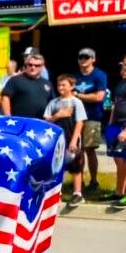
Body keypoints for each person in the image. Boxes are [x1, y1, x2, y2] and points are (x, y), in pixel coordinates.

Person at [45, 75, 88, 206]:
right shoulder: (53, 103)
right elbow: (46, 120)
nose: (61, 87)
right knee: (58, 167)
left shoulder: (76, 102)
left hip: (71, 139)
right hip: (57, 141)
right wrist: (57, 115)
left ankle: (77, 193)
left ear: (72, 86)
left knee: (75, 165)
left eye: (64, 85)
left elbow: (80, 122)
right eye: (59, 85)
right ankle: (57, 194)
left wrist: (74, 140)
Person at [73, 47, 108, 193]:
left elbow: (99, 97)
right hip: (76, 118)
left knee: (90, 150)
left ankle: (94, 181)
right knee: (77, 150)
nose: (83, 59)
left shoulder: (99, 75)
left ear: (93, 59)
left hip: (93, 117)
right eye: (81, 57)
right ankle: (78, 183)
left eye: (86, 57)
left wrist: (78, 96)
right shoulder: (74, 76)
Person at [107, 53, 126, 207]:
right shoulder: (122, 82)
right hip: (116, 126)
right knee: (120, 161)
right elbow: (116, 104)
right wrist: (110, 125)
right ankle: (119, 192)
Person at [1, 52, 54, 119]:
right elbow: (5, 98)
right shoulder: (15, 80)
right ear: (26, 65)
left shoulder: (47, 83)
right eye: (30, 65)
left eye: (37, 65)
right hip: (19, 121)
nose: (33, 67)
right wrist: (8, 117)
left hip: (40, 123)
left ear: (42, 66)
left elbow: (52, 103)